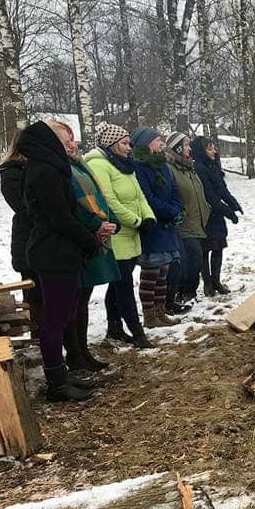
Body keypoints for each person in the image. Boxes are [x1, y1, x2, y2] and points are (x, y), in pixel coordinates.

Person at [19, 121, 101, 401]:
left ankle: (61, 375)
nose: (69, 144)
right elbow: (61, 218)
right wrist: (89, 241)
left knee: (64, 315)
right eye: (64, 139)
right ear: (50, 141)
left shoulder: (49, 167)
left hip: (62, 251)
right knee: (54, 321)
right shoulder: (44, 171)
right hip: (52, 253)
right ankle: (56, 383)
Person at [58, 121, 121, 373]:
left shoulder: (79, 166)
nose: (72, 145)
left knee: (82, 300)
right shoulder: (63, 170)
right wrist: (96, 224)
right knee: (74, 301)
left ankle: (83, 351)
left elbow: (99, 197)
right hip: (80, 240)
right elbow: (71, 206)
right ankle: (75, 355)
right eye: (66, 142)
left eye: (73, 140)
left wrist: (109, 220)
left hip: (94, 237)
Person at [85, 123, 154, 348]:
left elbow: (139, 195)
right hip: (118, 234)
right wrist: (135, 221)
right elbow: (110, 201)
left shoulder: (126, 165)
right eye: (124, 143)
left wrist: (148, 217)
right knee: (124, 286)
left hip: (133, 234)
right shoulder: (99, 165)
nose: (128, 148)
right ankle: (138, 334)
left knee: (117, 287)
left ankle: (114, 329)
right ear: (111, 145)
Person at [131, 127, 183, 328]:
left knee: (163, 270)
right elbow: (147, 197)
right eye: (157, 139)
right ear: (145, 143)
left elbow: (174, 190)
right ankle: (150, 315)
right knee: (151, 271)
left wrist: (176, 209)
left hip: (167, 224)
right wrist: (169, 211)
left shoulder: (163, 164)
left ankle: (160, 311)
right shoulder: (139, 166)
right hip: (153, 224)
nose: (160, 143)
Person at [0, 132, 41, 332]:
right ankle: (39, 333)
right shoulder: (11, 171)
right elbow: (23, 207)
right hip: (29, 238)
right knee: (34, 292)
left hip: (44, 237)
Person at [192, 136, 242, 295]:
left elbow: (221, 189)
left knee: (218, 247)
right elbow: (209, 196)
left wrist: (234, 203)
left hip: (217, 213)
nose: (214, 151)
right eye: (210, 148)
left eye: (214, 148)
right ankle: (207, 283)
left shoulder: (213, 165)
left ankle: (216, 280)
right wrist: (228, 211)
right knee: (205, 249)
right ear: (201, 151)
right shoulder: (199, 167)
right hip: (205, 214)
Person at [166, 132, 211, 306]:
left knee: (195, 258)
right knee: (190, 258)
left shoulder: (188, 167)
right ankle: (182, 292)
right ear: (177, 147)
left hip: (196, 220)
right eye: (185, 145)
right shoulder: (171, 168)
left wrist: (206, 208)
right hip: (182, 222)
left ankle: (189, 292)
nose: (189, 148)